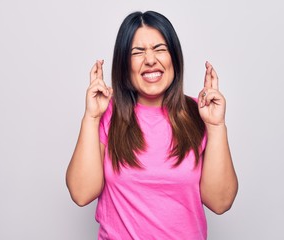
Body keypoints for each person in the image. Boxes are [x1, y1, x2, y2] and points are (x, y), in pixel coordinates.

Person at [66, 10, 238, 240]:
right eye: (138, 52)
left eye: (160, 49)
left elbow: (220, 202)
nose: (150, 60)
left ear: (174, 58)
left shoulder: (200, 113)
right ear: (124, 63)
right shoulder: (106, 113)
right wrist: (91, 117)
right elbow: (81, 193)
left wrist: (216, 126)